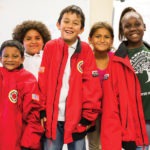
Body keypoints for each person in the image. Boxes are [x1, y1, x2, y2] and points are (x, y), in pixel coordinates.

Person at [38, 5, 102, 150]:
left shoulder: (85, 50)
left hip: (77, 119)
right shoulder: (50, 47)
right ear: (58, 24)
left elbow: (91, 86)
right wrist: (42, 110)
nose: (70, 26)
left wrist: (87, 117)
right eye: (66, 21)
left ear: (81, 29)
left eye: (75, 23)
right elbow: (43, 82)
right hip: (52, 118)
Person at [100, 10, 149, 150]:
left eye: (137, 24)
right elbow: (111, 107)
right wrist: (125, 136)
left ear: (144, 26)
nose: (133, 28)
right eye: (128, 26)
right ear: (122, 30)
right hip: (135, 131)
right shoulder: (116, 62)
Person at [0, 39, 44, 150]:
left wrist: (28, 143)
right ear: (0, 58)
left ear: (22, 59)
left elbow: (33, 115)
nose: (10, 60)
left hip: (17, 141)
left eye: (15, 56)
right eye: (6, 56)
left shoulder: (28, 80)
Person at [87, 21, 114, 150]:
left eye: (106, 37)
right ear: (90, 39)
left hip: (111, 112)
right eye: (98, 36)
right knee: (93, 145)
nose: (102, 40)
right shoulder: (86, 60)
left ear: (112, 40)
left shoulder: (116, 60)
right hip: (92, 112)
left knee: (110, 144)